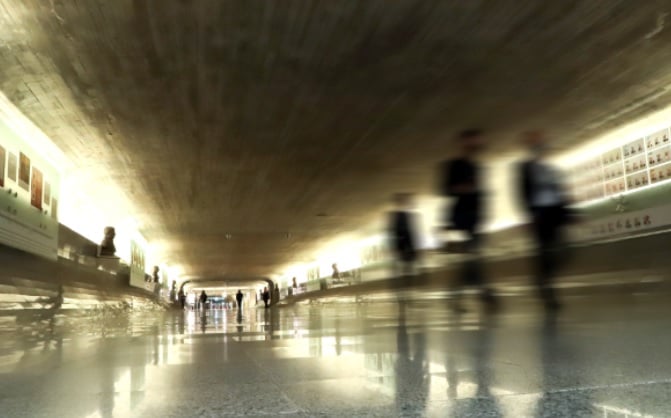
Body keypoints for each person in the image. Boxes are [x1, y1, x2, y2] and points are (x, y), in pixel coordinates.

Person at [441, 129, 497, 312]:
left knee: (473, 259)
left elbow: (482, 194)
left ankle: (456, 295)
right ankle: (484, 294)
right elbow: (445, 190)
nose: (477, 145)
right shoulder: (453, 165)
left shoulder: (479, 167)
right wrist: (463, 188)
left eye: (479, 142)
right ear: (464, 143)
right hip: (461, 218)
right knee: (473, 258)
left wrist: (485, 214)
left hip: (476, 219)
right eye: (474, 141)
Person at [518, 131, 571, 310]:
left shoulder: (551, 169)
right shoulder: (525, 167)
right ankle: (547, 290)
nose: (539, 146)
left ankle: (542, 279)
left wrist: (570, 213)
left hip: (555, 214)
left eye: (540, 142)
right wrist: (528, 216)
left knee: (564, 250)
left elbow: (560, 193)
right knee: (544, 252)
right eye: (535, 143)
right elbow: (522, 193)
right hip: (539, 215)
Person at [389, 193, 419, 276]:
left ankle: (406, 267)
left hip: (404, 233)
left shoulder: (400, 214)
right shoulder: (400, 214)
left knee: (404, 250)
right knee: (403, 250)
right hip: (403, 233)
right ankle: (407, 268)